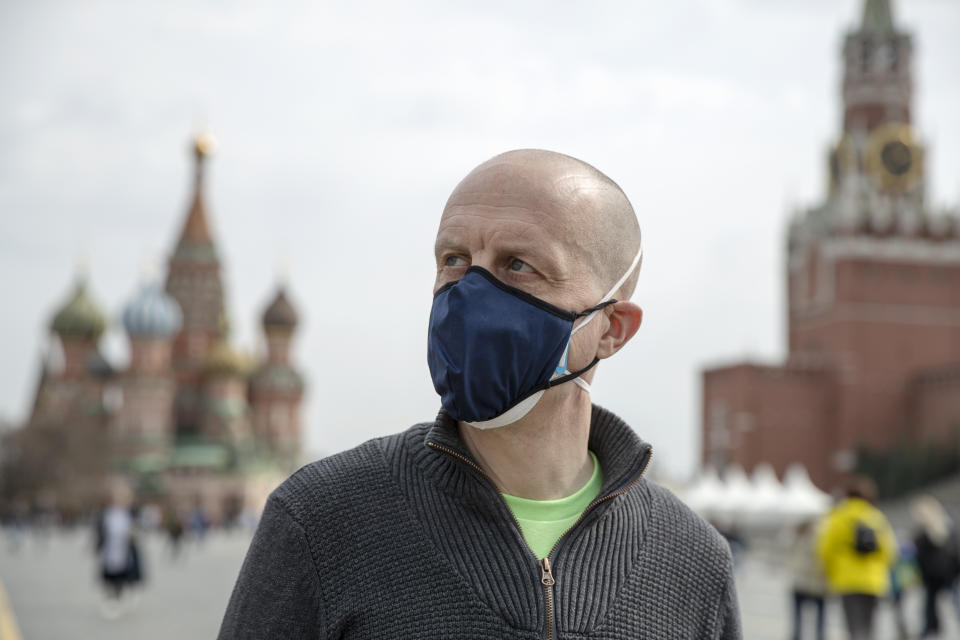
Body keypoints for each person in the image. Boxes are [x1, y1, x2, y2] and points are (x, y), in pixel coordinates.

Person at [219, 149, 741, 638]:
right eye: (453, 259)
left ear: (612, 328)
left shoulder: (693, 560)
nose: (470, 291)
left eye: (517, 264)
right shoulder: (319, 519)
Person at [817, 476, 897, 640]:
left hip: (847, 580)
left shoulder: (839, 517)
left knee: (854, 627)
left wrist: (830, 572)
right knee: (869, 626)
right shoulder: (875, 517)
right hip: (874, 581)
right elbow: (890, 551)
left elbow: (825, 549)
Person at [911, 494, 960, 637]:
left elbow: (919, 556)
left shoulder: (923, 531)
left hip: (936, 574)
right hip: (947, 572)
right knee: (950, 600)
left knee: (933, 603)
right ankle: (930, 627)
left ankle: (930, 628)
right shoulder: (947, 524)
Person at [787, 518, 828, 640]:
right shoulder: (796, 530)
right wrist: (796, 532)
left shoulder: (822, 531)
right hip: (800, 580)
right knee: (797, 619)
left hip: (818, 582)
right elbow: (786, 547)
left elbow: (822, 553)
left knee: (820, 620)